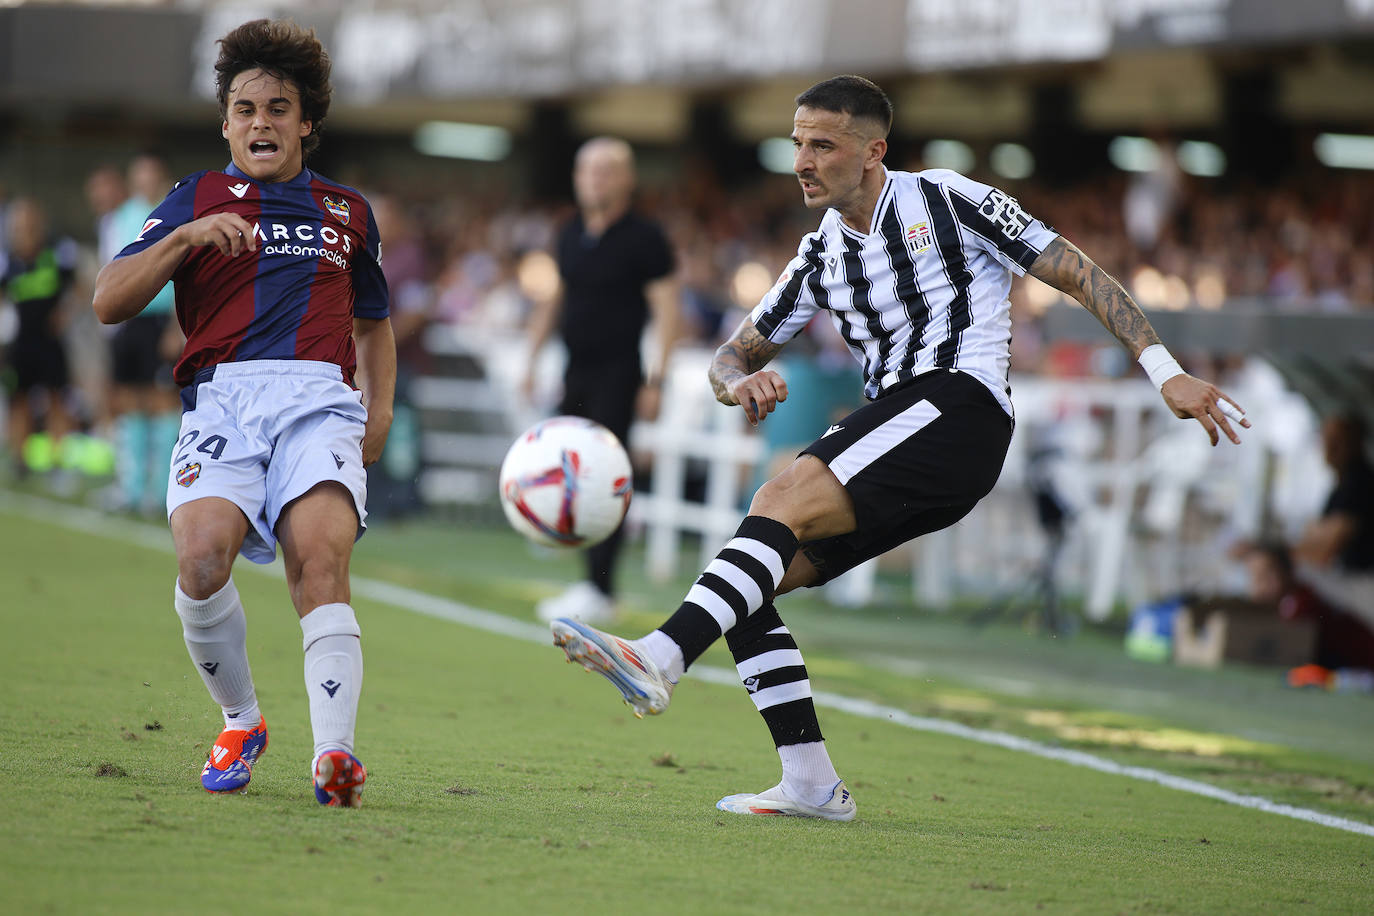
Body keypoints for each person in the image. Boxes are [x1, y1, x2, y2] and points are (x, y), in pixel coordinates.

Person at [550, 75, 1250, 821]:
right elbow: (732, 353)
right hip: (912, 432)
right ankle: (812, 785)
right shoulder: (819, 254)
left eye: (823, 145)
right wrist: (736, 385)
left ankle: (659, 656)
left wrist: (1164, 371)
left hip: (961, 406)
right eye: (797, 144)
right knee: (747, 582)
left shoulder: (947, 199)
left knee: (777, 497)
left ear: (873, 150)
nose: (803, 161)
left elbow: (1075, 270)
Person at [92, 19, 395, 807]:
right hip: (223, 399)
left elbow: (375, 322)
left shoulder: (349, 211)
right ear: (226, 122)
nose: (262, 121)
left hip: (321, 402)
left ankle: (336, 757)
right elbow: (108, 302)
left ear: (306, 123)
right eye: (247, 108)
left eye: (279, 108)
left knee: (320, 561)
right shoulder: (194, 197)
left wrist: (380, 410)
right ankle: (241, 719)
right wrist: (185, 236)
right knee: (200, 564)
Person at [522, 136, 682, 624]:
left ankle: (601, 587)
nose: (595, 179)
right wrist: (531, 358)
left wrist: (656, 380)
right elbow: (556, 299)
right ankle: (583, 575)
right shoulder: (569, 232)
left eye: (606, 170)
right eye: (587, 170)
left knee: (606, 475)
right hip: (576, 368)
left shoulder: (646, 237)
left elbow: (667, 312)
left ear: (627, 179)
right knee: (567, 467)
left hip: (620, 372)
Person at [100, 152, 186, 515]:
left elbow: (186, 274)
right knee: (129, 399)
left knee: (162, 401)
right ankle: (131, 487)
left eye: (151, 174)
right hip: (129, 322)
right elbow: (112, 271)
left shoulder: (178, 213)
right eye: (140, 175)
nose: (145, 181)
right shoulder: (119, 219)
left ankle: (161, 489)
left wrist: (178, 325)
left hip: (162, 319)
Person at [1, 197, 80, 478]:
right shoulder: (8, 260)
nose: (24, 229)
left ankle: (58, 461)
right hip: (20, 342)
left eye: (29, 222)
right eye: (19, 224)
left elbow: (78, 288)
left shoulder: (58, 251)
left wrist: (64, 313)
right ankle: (19, 461)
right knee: (18, 400)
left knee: (57, 399)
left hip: (50, 341)